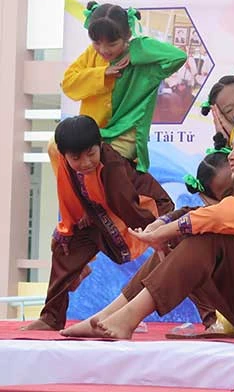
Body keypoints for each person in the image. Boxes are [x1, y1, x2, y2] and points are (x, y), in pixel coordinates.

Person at [62, 109, 234, 341]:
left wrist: (163, 231)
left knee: (207, 239)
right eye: (231, 147)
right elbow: (204, 213)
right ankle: (108, 315)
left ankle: (127, 318)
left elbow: (219, 215)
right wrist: (164, 223)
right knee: (185, 236)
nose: (231, 155)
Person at [24, 115, 174, 331]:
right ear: (64, 155)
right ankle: (51, 318)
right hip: (100, 216)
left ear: (100, 145)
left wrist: (158, 232)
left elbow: (128, 208)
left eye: (91, 153)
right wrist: (68, 230)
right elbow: (68, 195)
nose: (85, 162)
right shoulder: (63, 161)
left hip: (144, 210)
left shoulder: (112, 167)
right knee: (63, 247)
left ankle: (208, 318)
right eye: (76, 157)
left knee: (174, 252)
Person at [58, 2, 187, 172]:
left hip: (125, 133)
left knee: (109, 160)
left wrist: (136, 51)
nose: (103, 50)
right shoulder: (91, 53)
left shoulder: (142, 61)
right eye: (97, 42)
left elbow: (178, 57)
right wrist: (102, 74)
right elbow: (68, 84)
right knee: (57, 150)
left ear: (127, 36)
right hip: (93, 132)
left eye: (112, 44)